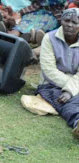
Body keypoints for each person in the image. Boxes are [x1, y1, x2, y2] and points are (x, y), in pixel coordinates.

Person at [29, 8, 79, 139]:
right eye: (66, 20)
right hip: (50, 85)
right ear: (61, 21)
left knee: (73, 98)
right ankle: (77, 122)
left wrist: (71, 90)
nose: (69, 25)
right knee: (66, 102)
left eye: (74, 22)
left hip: (75, 84)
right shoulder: (49, 38)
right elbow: (49, 70)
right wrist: (70, 90)